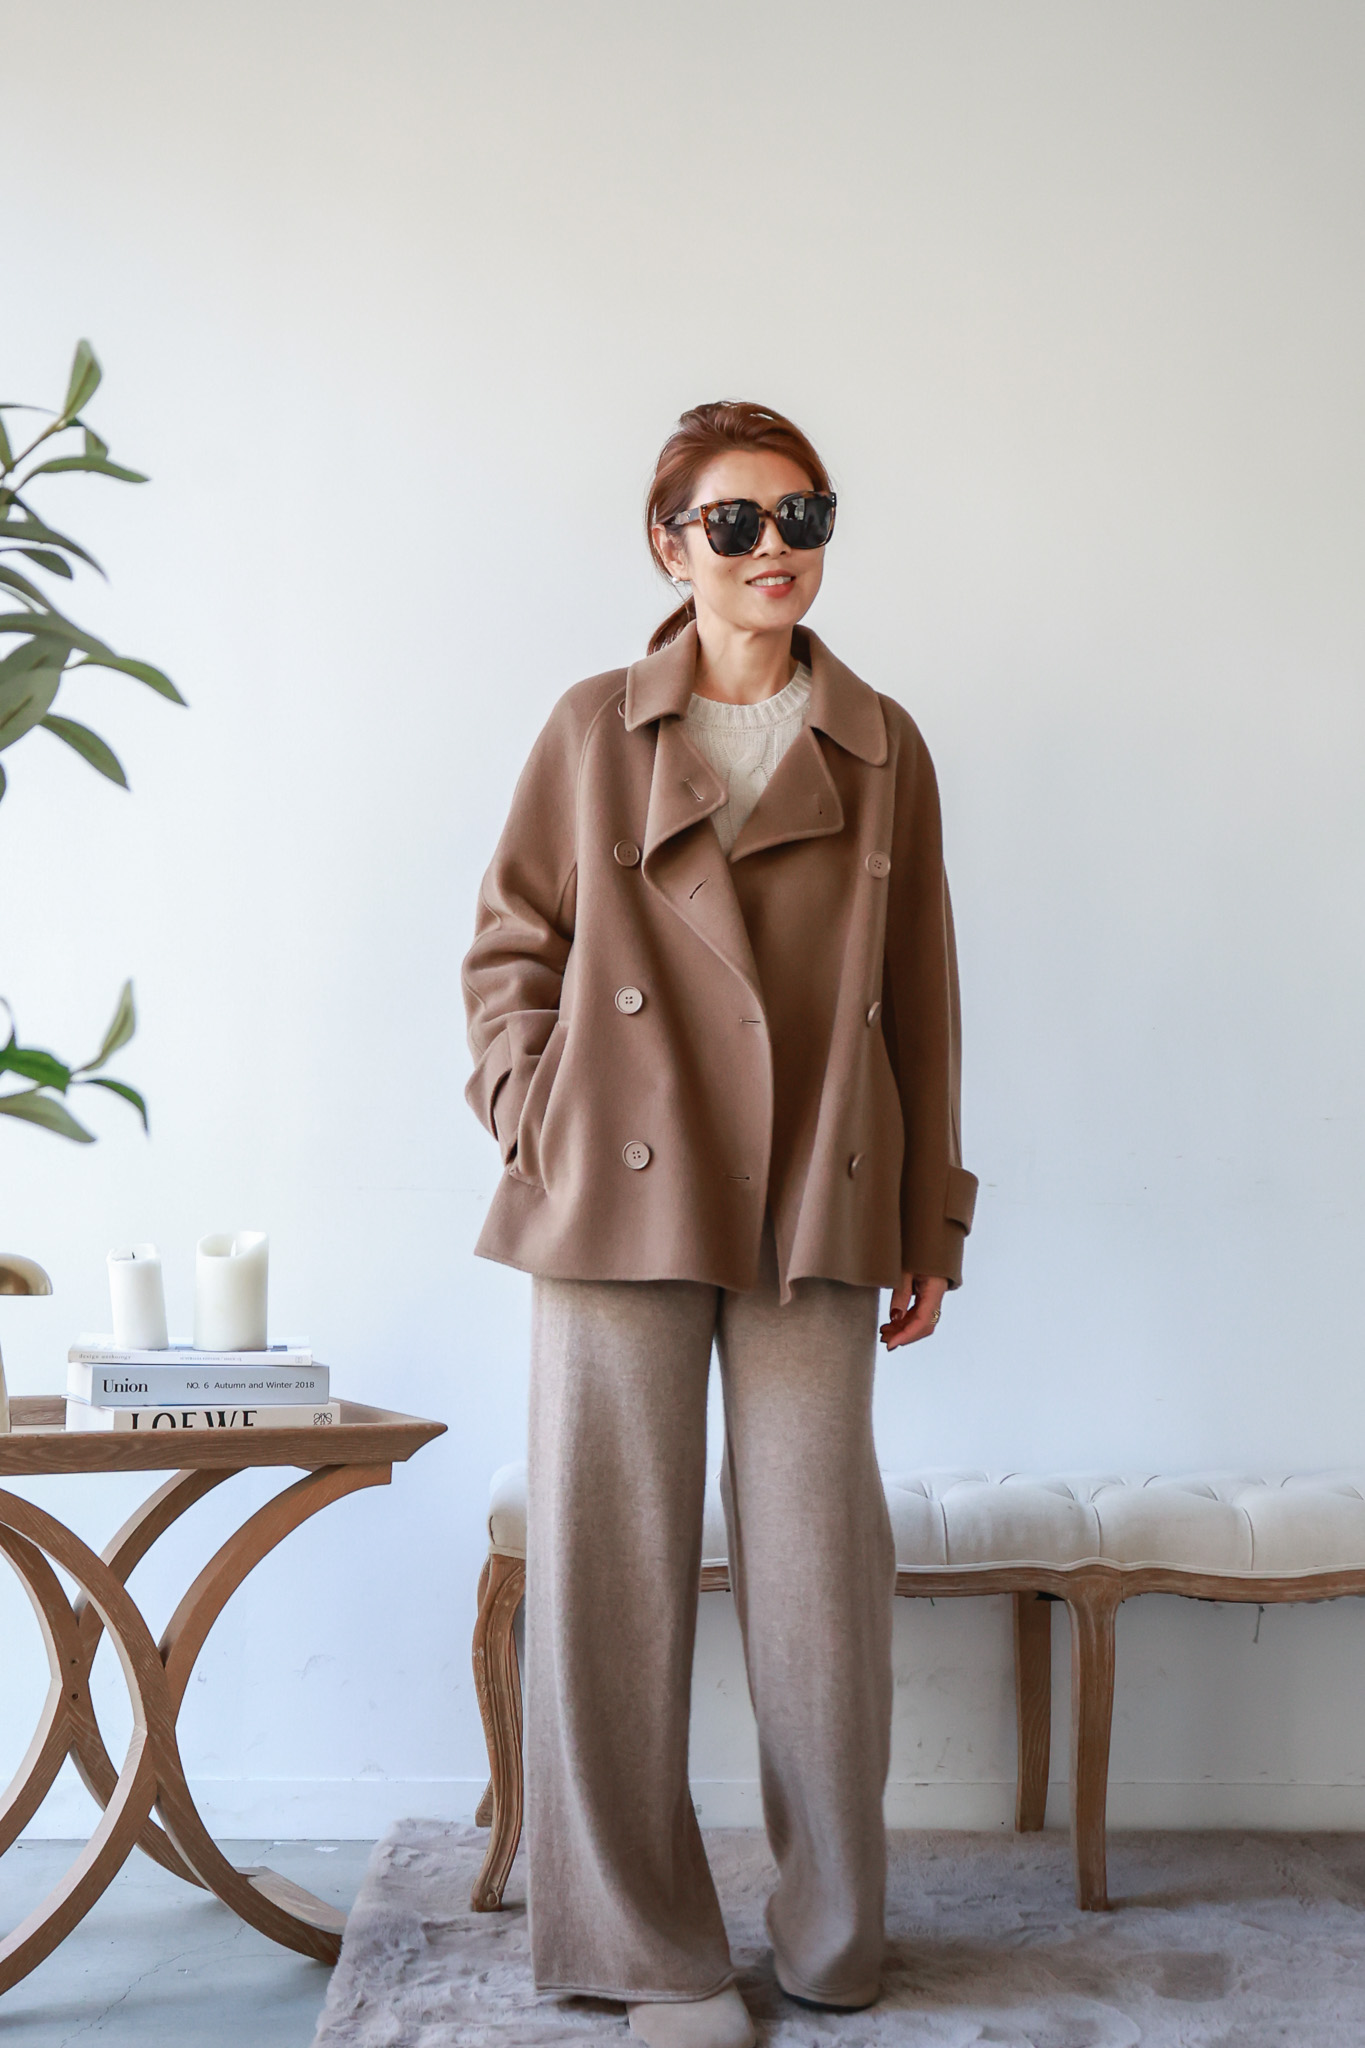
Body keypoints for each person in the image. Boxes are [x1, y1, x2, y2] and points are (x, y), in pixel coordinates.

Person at [463, 400, 977, 2048]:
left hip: (816, 1183)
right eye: (736, 522)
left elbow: (921, 999)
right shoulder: (591, 728)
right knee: (608, 1570)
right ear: (669, 544)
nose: (775, 550)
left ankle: (830, 1935)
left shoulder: (881, 742)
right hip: (618, 1184)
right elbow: (510, 945)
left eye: (801, 516)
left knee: (820, 1578)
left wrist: (930, 1217)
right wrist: (535, 1107)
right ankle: (642, 1950)